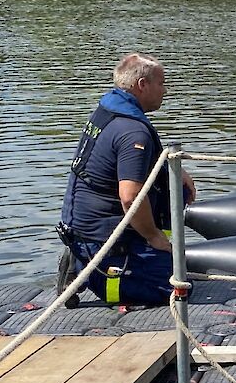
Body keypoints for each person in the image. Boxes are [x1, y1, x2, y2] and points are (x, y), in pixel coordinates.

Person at [58, 53, 195, 305]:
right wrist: (154, 236)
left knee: (172, 189)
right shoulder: (133, 131)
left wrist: (170, 170)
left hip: (83, 223)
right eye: (161, 83)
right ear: (142, 85)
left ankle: (88, 258)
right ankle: (91, 272)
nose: (165, 90)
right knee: (177, 287)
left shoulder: (108, 109)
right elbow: (130, 197)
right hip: (105, 237)